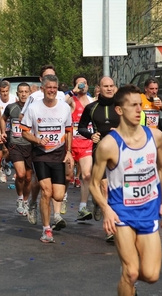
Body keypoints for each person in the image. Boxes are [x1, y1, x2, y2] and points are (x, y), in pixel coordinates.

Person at [89, 84, 162, 296]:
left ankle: (127, 277)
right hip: (121, 212)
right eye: (132, 105)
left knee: (151, 275)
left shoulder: (155, 136)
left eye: (139, 105)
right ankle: (128, 275)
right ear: (119, 110)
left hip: (149, 211)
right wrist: (106, 209)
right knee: (132, 272)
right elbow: (93, 183)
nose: (138, 110)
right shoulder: (109, 145)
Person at [21, 75, 74, 243]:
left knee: (58, 196)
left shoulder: (65, 107)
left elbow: (68, 130)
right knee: (46, 191)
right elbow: (24, 131)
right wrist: (37, 140)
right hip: (40, 154)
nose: (51, 90)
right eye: (48, 87)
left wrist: (69, 152)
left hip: (58, 153)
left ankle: (34, 204)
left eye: (54, 87)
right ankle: (46, 230)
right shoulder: (33, 108)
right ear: (42, 89)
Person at [78, 76, 120, 242]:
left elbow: (134, 124)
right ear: (99, 88)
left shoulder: (121, 105)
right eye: (106, 86)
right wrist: (91, 135)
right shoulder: (91, 107)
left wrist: (120, 130)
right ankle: (109, 228)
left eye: (111, 86)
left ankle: (98, 203)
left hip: (119, 150)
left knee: (116, 187)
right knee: (104, 186)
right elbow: (81, 127)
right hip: (100, 150)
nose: (109, 89)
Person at [65, 75, 94, 221]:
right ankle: (62, 198)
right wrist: (73, 91)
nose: (83, 86)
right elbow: (59, 105)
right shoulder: (71, 100)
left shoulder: (91, 101)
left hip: (86, 144)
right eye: (79, 83)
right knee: (68, 176)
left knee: (87, 175)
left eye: (85, 83)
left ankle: (83, 207)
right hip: (71, 144)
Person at [2, 82, 32, 215]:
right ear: (17, 93)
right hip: (15, 145)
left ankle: (26, 200)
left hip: (31, 146)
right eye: (21, 91)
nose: (24, 94)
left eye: (26, 91)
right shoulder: (11, 107)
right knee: (20, 174)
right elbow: (2, 119)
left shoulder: (34, 108)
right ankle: (20, 198)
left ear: (29, 93)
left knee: (28, 178)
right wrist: (3, 132)